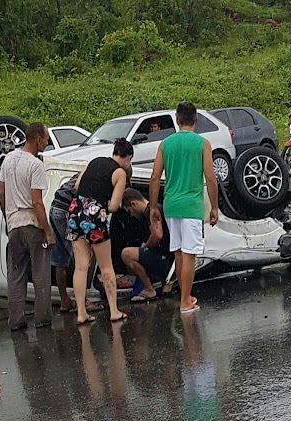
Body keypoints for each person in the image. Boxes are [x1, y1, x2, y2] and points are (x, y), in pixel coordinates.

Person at [149, 102, 218, 315]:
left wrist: (153, 206)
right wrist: (214, 207)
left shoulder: (165, 144)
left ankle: (185, 296)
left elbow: (154, 177)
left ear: (177, 121)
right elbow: (210, 177)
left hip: (171, 205)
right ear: (195, 120)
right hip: (191, 205)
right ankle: (185, 302)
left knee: (179, 252)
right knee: (189, 254)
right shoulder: (202, 143)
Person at [67, 138, 132, 324]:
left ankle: (81, 313)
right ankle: (114, 311)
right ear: (128, 157)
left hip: (75, 210)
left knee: (81, 266)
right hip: (94, 214)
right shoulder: (120, 173)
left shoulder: (94, 161)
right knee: (106, 265)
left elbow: (77, 185)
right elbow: (112, 207)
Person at [0, 122, 54, 331]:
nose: (47, 143)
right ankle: (42, 319)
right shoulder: (35, 165)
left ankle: (16, 320)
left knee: (16, 274)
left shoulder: (8, 159)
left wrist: (7, 216)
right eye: (46, 139)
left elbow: (1, 192)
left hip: (13, 224)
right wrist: (48, 232)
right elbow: (36, 202)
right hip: (31, 224)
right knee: (40, 273)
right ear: (38, 138)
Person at [49, 172, 103, 313]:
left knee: (60, 257)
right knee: (80, 258)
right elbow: (88, 209)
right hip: (66, 210)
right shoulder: (100, 180)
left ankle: (64, 300)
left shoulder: (86, 172)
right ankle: (83, 302)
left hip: (55, 208)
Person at [121, 188, 172, 302]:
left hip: (164, 258)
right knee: (132, 264)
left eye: (130, 211)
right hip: (165, 257)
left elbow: (157, 235)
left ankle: (149, 289)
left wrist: (146, 246)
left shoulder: (151, 211)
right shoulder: (152, 210)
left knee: (126, 254)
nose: (132, 215)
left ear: (133, 203)